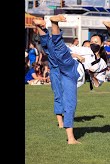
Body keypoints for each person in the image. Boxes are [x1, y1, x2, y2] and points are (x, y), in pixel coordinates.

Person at [34, 15, 85, 144]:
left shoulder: (83, 50)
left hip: (57, 65)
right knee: (68, 102)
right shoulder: (91, 54)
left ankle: (41, 26)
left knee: (50, 46)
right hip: (68, 70)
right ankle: (52, 24)